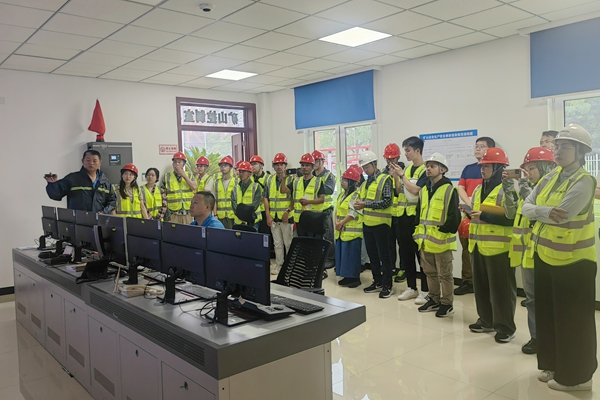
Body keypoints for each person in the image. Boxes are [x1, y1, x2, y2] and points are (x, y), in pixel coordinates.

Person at [522, 124, 597, 392]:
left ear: (581, 152)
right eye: (557, 146)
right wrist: (544, 211)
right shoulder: (551, 176)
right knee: (549, 318)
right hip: (545, 256)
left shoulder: (584, 181)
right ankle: (554, 366)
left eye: (566, 146)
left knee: (573, 323)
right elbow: (525, 207)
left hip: (574, 263)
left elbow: (562, 215)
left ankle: (578, 378)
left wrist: (537, 211)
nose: (558, 151)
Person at [502, 147, 555, 355]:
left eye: (532, 168)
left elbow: (535, 212)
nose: (528, 173)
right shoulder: (526, 189)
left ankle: (549, 338)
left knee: (546, 300)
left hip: (545, 254)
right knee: (532, 300)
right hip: (527, 254)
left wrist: (524, 186)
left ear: (545, 168)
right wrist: (508, 189)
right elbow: (510, 214)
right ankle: (536, 337)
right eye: (526, 169)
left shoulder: (549, 190)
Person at [466, 148, 516, 343]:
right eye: (482, 166)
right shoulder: (478, 189)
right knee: (481, 288)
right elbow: (476, 213)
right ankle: (486, 320)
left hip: (499, 249)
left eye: (487, 166)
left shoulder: (508, 190)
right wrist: (468, 213)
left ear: (498, 168)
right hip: (478, 246)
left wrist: (484, 215)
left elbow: (512, 219)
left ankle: (505, 328)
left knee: (501, 291)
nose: (483, 169)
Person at [413, 153, 460, 317]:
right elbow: (419, 213)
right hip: (425, 241)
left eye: (433, 166)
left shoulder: (449, 190)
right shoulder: (424, 190)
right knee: (430, 273)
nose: (428, 169)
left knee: (445, 275)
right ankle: (433, 299)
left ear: (442, 169)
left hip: (442, 241)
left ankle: (447, 303)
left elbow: (455, 217)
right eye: (427, 166)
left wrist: (443, 230)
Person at [455, 136, 496, 295]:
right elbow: (460, 188)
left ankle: (484, 283)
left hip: (485, 217)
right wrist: (470, 205)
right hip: (468, 215)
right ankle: (468, 281)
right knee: (467, 250)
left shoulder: (495, 170)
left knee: (483, 252)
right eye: (476, 146)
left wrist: (476, 207)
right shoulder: (468, 168)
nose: (478, 149)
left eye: (482, 146)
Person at [391, 136, 429, 304]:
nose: (405, 154)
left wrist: (402, 176)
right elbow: (399, 191)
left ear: (417, 151)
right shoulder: (406, 169)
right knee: (406, 254)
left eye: (407, 150)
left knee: (421, 256)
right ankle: (412, 287)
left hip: (417, 218)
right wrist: (396, 177)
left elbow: (415, 191)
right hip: (402, 217)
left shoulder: (426, 170)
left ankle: (426, 290)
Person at [355, 150, 394, 299]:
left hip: (381, 224)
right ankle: (377, 281)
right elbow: (362, 200)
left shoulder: (385, 179)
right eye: (363, 167)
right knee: (372, 255)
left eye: (367, 166)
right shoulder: (365, 183)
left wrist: (366, 204)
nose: (365, 170)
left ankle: (387, 285)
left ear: (375, 164)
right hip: (367, 223)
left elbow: (387, 201)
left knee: (384, 256)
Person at [44, 149, 116, 213]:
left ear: (100, 163)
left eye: (94, 161)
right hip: (77, 221)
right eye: (88, 160)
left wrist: (104, 212)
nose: (91, 163)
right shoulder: (73, 178)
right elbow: (56, 195)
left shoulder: (105, 182)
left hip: (99, 221)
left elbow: (112, 201)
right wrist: (52, 184)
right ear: (82, 161)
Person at [280, 153, 325, 236]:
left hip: (313, 219)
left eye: (307, 165)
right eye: (303, 165)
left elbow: (322, 199)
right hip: (299, 220)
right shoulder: (296, 181)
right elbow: (283, 191)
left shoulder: (318, 181)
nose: (304, 167)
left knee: (313, 243)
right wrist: (283, 179)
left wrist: (309, 202)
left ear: (312, 167)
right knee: (302, 242)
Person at [264, 153, 294, 276]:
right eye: (276, 164)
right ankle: (279, 264)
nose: (279, 167)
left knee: (288, 243)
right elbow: (266, 198)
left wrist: (288, 211)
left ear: (285, 166)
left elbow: (295, 199)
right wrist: (268, 215)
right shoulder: (269, 179)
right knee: (277, 244)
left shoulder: (292, 179)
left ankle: (289, 266)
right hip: (274, 217)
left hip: (287, 217)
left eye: (282, 164)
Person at [382, 143, 407, 284]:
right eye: (388, 159)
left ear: (398, 157)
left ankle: (403, 269)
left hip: (401, 213)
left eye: (392, 158)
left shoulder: (404, 171)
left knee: (402, 244)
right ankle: (391, 267)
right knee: (389, 243)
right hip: (387, 214)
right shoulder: (383, 173)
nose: (390, 161)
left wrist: (396, 176)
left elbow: (399, 192)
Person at [334, 168, 363, 288]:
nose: (342, 182)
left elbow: (353, 213)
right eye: (342, 180)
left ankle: (354, 278)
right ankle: (346, 276)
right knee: (344, 256)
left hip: (352, 232)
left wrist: (341, 223)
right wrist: (336, 222)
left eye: (345, 180)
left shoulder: (357, 195)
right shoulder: (341, 195)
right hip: (341, 231)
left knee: (352, 256)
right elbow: (337, 209)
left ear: (352, 182)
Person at [312, 150, 337, 269]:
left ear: (322, 162)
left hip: (325, 211)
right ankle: (317, 259)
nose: (314, 164)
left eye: (316, 161)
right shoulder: (311, 175)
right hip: (313, 212)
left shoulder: (328, 175)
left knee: (328, 237)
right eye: (313, 161)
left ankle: (330, 259)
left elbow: (329, 190)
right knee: (316, 237)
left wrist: (314, 184)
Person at [161, 152, 197, 224]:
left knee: (188, 230)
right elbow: (163, 195)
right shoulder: (167, 176)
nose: (177, 164)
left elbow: (194, 187)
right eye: (175, 162)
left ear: (183, 164)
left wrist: (184, 176)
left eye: (179, 162)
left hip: (187, 213)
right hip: (173, 214)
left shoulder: (189, 175)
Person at [232, 161, 262, 228]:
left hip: (252, 221)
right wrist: (240, 216)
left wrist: (245, 216)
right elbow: (233, 204)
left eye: (243, 172)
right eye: (240, 172)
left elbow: (255, 205)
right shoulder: (235, 188)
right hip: (238, 221)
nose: (241, 174)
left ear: (250, 173)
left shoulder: (256, 187)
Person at [214, 155, 236, 229]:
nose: (223, 167)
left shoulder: (236, 181)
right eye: (221, 166)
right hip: (220, 216)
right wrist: (215, 215)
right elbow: (215, 200)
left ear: (230, 168)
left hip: (233, 216)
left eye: (226, 165)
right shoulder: (217, 182)